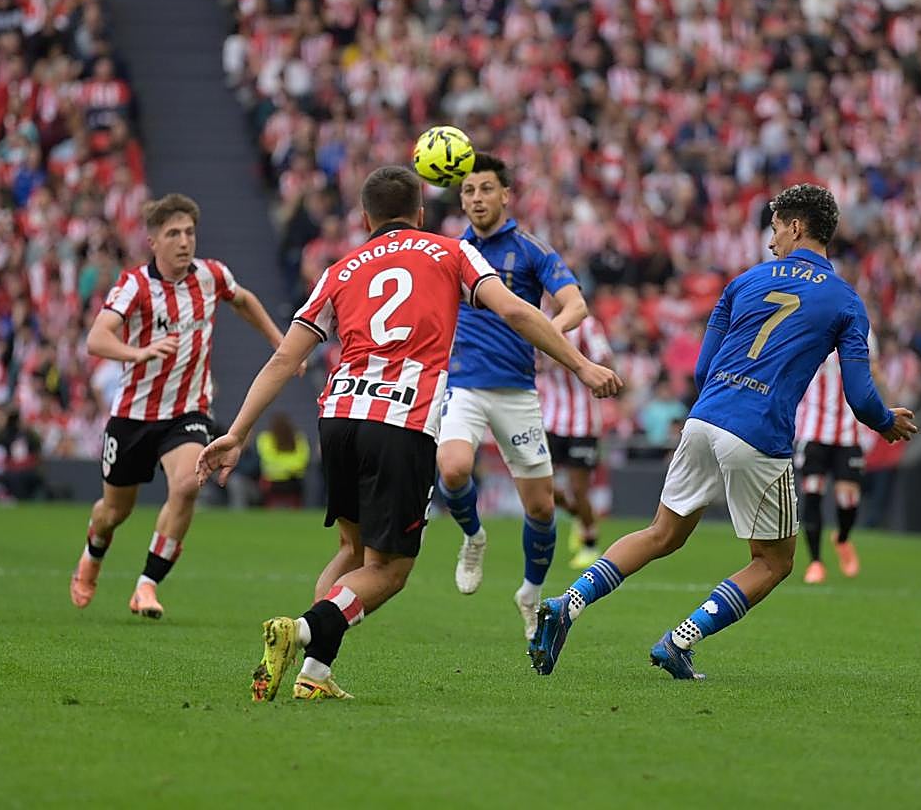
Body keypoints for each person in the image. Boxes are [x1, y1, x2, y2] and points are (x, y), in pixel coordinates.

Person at [195, 166, 620, 703]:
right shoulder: (452, 252)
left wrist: (236, 433)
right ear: (420, 213)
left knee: (351, 549)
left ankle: (314, 674)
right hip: (401, 421)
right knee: (390, 570)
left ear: (364, 218)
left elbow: (284, 358)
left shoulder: (340, 269)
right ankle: (301, 629)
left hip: (338, 417)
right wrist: (582, 365)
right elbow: (515, 311)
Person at [528, 183, 917, 679]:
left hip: (704, 418)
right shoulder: (846, 301)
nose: (771, 239)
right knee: (773, 562)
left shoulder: (744, 282)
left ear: (797, 227)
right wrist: (887, 422)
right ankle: (679, 641)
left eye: (775, 229)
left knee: (660, 533)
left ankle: (566, 604)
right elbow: (861, 397)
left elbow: (702, 368)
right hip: (759, 432)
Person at [68, 193, 291, 619]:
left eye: (189, 232)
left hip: (188, 411)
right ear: (153, 241)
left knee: (188, 485)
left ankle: (146, 585)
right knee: (114, 511)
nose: (184, 241)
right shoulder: (135, 285)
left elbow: (243, 300)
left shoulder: (211, 275)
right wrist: (138, 353)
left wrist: (280, 342)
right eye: (173, 234)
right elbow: (97, 338)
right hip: (133, 415)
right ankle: (92, 555)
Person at [435, 154, 589, 640]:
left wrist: (546, 334)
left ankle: (530, 592)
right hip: (462, 382)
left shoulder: (530, 249)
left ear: (505, 195)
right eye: (468, 191)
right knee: (453, 468)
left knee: (541, 508)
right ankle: (473, 536)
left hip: (517, 390)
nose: (476, 198)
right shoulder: (452, 250)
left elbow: (576, 304)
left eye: (485, 189)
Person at [794, 332, 882, 583]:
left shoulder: (863, 331)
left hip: (849, 428)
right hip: (813, 428)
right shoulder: (810, 323)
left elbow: (874, 370)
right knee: (813, 491)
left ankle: (842, 538)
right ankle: (816, 562)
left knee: (848, 499)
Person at [537, 314, 613, 569]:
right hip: (550, 419)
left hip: (583, 422)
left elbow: (606, 360)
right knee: (542, 483)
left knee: (579, 488)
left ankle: (590, 543)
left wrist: (572, 359)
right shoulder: (540, 320)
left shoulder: (588, 325)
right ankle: (579, 515)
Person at [255, 411, 310, 508]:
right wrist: (289, 468)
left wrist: (281, 468)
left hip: (291, 481)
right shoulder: (265, 438)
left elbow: (302, 461)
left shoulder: (298, 438)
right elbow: (269, 459)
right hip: (275, 481)